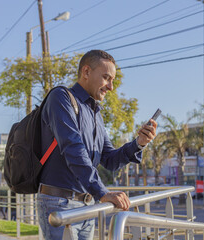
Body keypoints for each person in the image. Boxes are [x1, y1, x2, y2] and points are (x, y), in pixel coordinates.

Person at [37, 49, 157, 240]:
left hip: (87, 204)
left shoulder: (95, 114)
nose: (111, 86)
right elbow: (73, 148)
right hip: (59, 203)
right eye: (106, 78)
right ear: (86, 72)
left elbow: (109, 159)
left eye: (113, 81)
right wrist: (102, 192)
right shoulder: (60, 98)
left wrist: (138, 144)